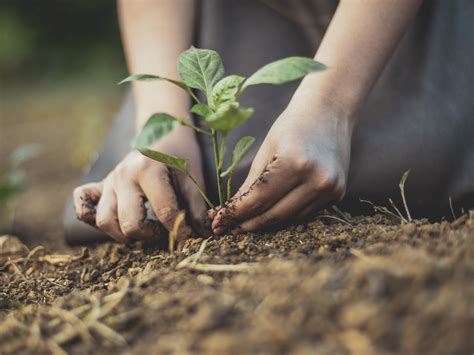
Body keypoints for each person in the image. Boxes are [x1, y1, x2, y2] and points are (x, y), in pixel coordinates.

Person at [65, 0, 474, 244]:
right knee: (159, 188)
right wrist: (164, 119)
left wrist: (330, 106)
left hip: (386, 26)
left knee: (412, 160)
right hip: (225, 19)